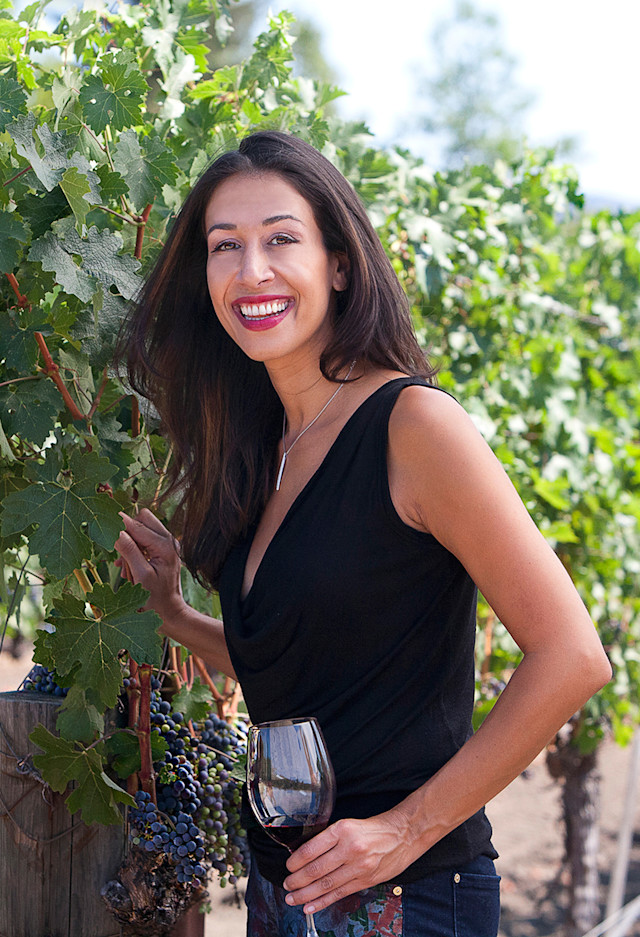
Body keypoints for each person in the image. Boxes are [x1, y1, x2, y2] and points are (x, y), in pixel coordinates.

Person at [114, 130, 611, 937]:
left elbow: (573, 657)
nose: (251, 270)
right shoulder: (266, 446)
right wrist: (175, 616)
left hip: (408, 899)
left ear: (339, 264)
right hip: (286, 888)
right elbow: (310, 669)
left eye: (281, 239)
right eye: (225, 245)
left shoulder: (413, 427)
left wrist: (405, 830)